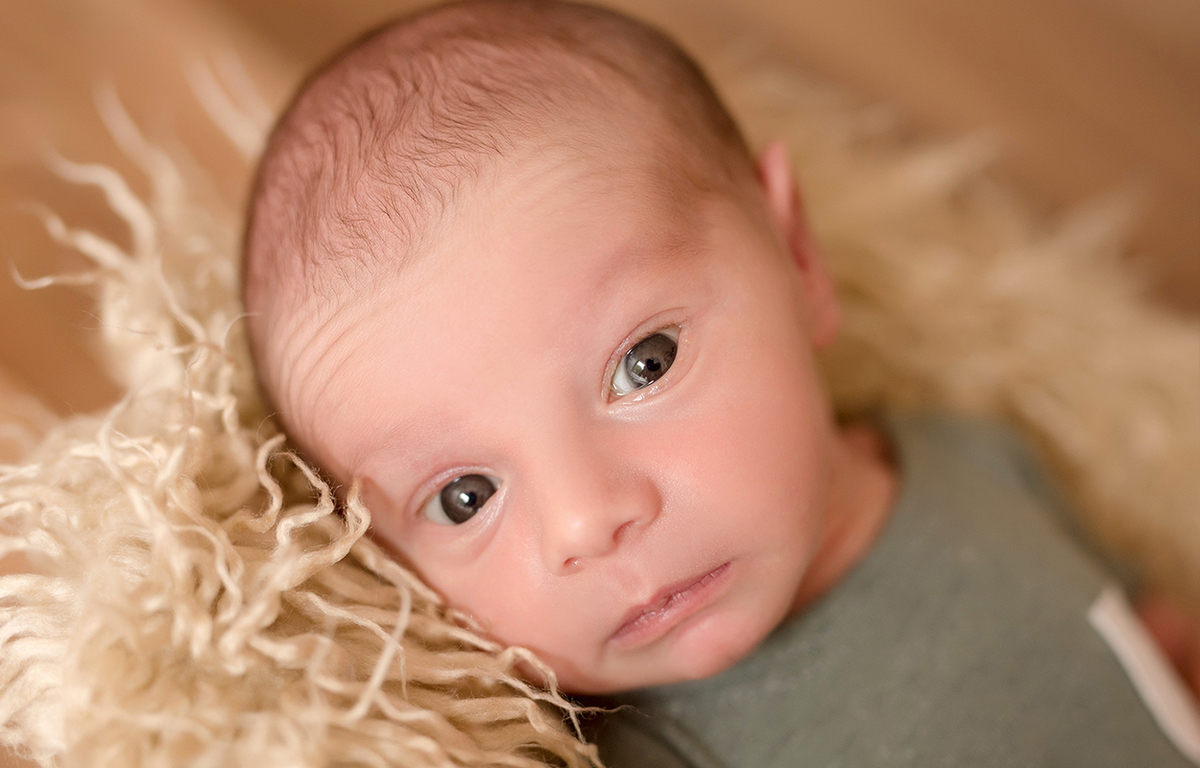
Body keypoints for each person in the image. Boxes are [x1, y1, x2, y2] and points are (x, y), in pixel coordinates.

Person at [240, 0, 1200, 764]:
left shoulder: (978, 454)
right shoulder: (655, 749)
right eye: (464, 497)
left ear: (797, 258)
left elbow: (1131, 634)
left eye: (642, 365)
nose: (586, 522)